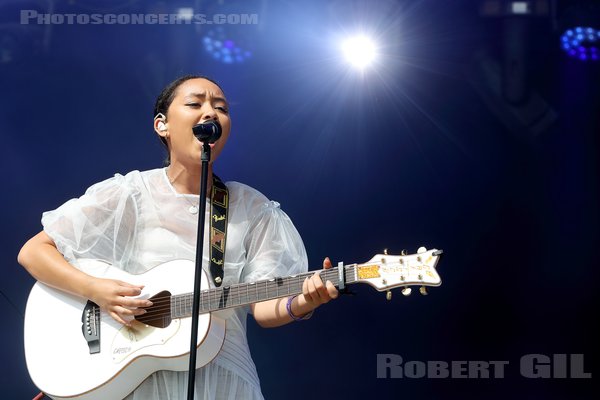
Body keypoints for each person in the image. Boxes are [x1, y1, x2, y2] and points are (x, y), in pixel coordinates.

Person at [17, 75, 339, 399]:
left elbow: (265, 308)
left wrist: (302, 302)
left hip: (224, 381)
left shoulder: (251, 207)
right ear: (162, 125)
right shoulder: (131, 195)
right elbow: (34, 252)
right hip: (138, 377)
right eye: (195, 103)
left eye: (221, 108)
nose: (211, 113)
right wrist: (97, 290)